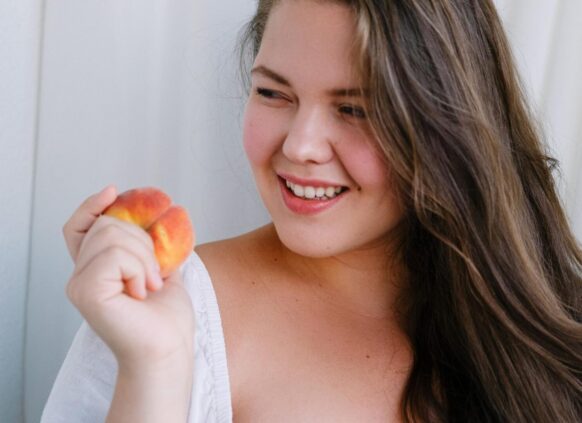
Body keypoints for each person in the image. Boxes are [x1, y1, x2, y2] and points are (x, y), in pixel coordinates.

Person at [42, 0, 581, 422]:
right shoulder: (165, 312)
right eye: (274, 94)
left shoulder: (549, 315)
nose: (300, 146)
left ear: (448, 126)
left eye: (354, 108)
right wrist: (154, 369)